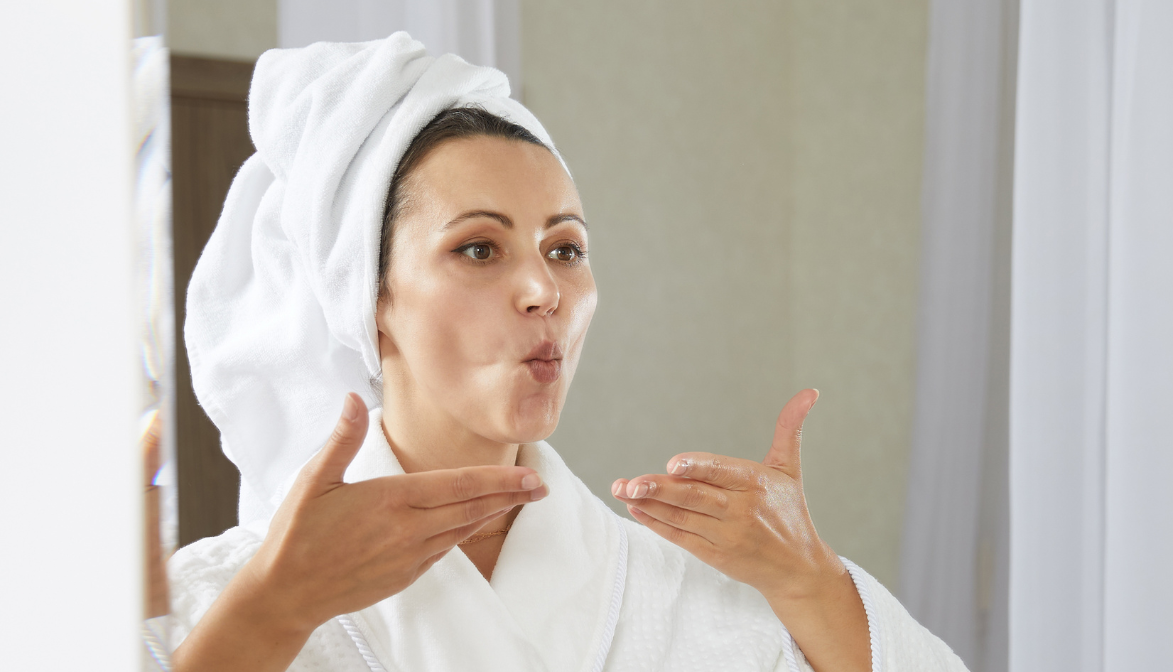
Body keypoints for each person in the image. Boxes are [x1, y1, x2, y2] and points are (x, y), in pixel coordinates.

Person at [164, 32, 966, 672]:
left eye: (565, 249)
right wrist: (273, 610)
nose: (544, 290)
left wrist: (810, 579)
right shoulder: (217, 601)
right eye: (479, 249)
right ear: (366, 297)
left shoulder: (699, 595)